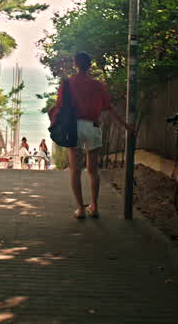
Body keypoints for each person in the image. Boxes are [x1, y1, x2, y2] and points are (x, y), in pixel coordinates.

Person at [49, 51, 134, 218]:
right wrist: (126, 125)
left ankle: (80, 209)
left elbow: (59, 106)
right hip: (93, 126)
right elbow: (108, 107)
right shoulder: (98, 85)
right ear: (90, 66)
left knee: (75, 170)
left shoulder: (67, 84)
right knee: (93, 170)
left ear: (75, 64)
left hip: (74, 127)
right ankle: (94, 206)